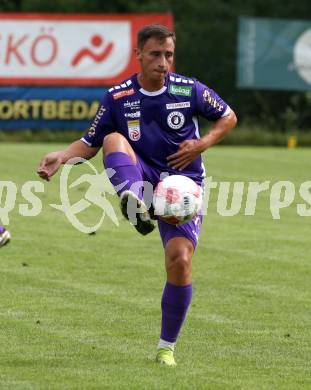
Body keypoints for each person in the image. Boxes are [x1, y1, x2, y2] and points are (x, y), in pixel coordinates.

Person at [37, 24, 237, 366]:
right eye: (156, 54)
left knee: (180, 261)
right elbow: (90, 143)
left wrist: (201, 144)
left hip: (182, 183)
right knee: (114, 139)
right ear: (139, 55)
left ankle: (165, 348)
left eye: (169, 55)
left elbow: (228, 117)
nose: (163, 62)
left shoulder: (189, 90)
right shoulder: (118, 97)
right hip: (141, 174)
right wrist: (61, 156)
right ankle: (135, 202)